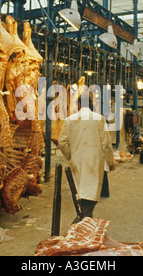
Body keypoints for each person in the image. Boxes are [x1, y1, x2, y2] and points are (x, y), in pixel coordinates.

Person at [58, 92, 116, 223]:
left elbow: (62, 142)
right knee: (91, 192)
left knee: (81, 191)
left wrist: (70, 155)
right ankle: (81, 221)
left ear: (78, 105)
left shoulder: (69, 120)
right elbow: (106, 145)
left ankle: (85, 222)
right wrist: (111, 162)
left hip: (77, 162)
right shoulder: (99, 119)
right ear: (92, 105)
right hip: (94, 162)